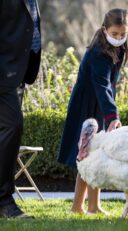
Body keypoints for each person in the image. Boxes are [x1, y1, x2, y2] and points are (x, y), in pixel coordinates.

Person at [58, 8, 128, 215]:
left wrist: (110, 112)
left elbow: (108, 86)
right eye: (114, 34)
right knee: (89, 155)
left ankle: (87, 206)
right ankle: (83, 206)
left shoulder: (119, 48)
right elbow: (102, 85)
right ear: (104, 29)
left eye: (122, 34)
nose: (118, 38)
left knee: (92, 154)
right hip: (87, 107)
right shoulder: (99, 52)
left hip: (100, 103)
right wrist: (112, 116)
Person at [0, 0, 41, 218]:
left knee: (10, 130)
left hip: (18, 70)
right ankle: (4, 202)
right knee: (13, 125)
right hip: (3, 72)